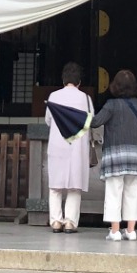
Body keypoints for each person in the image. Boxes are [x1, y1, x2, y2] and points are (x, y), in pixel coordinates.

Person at [92, 68, 137, 241]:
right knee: (133, 192)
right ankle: (131, 231)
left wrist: (78, 115)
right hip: (136, 154)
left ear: (115, 86)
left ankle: (115, 231)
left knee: (114, 191)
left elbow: (95, 122)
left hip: (115, 154)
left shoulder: (110, 105)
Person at [43, 64, 93, 233]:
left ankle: (56, 221)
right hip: (77, 147)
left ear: (63, 80)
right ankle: (70, 222)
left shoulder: (53, 96)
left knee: (55, 186)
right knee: (74, 185)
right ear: (79, 81)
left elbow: (48, 120)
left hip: (58, 145)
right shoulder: (85, 99)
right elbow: (89, 121)